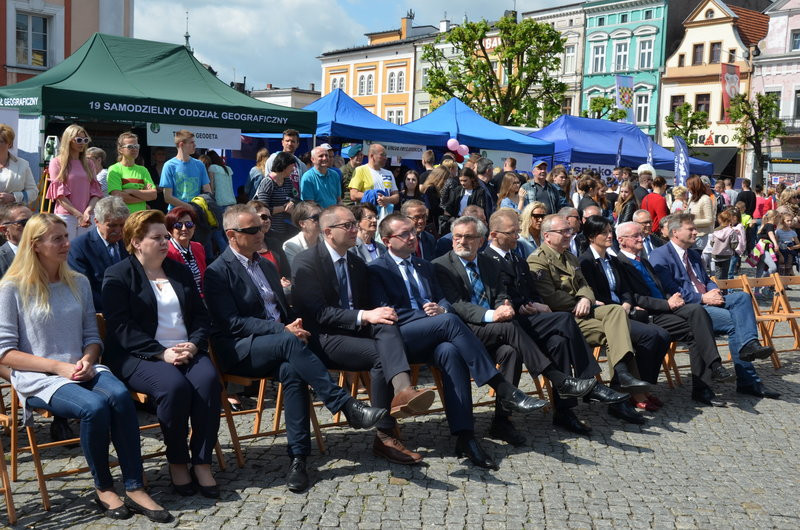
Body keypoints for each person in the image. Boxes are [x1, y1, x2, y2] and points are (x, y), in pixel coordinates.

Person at [203, 204, 388, 492]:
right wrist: (284, 331)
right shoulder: (217, 272)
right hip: (241, 350)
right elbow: (232, 324)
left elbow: (280, 310)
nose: (260, 234)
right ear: (231, 235)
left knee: (293, 371)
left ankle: (298, 457)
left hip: (282, 346)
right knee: (291, 344)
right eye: (252, 230)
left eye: (262, 228)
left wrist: (295, 326)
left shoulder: (265, 264)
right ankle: (344, 404)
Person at [0, 213, 171, 522]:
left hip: (84, 367)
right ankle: (104, 487)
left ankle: (134, 486)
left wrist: (89, 359)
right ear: (36, 245)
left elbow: (92, 337)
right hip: (40, 377)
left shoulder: (77, 281)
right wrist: (57, 367)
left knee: (120, 397)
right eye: (58, 239)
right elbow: (5, 353)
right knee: (94, 408)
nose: (67, 243)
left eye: (66, 237)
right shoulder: (11, 287)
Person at [368, 212, 547, 462]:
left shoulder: (424, 265)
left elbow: (443, 300)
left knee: (450, 352)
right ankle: (501, 387)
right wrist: (431, 315)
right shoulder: (376, 269)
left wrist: (441, 309)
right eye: (405, 234)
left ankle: (465, 436)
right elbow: (385, 313)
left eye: (413, 232)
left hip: (435, 331)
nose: (412, 237)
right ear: (387, 241)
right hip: (400, 338)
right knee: (451, 322)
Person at [292, 205, 441, 466]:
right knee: (380, 352)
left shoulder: (356, 262)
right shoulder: (307, 261)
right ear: (328, 232)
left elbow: (369, 309)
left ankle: (404, 390)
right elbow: (318, 313)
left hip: (355, 332)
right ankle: (385, 435)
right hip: (323, 337)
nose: (356, 229)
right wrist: (364, 316)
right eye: (348, 225)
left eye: (355, 224)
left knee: (386, 319)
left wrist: (375, 314)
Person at [433, 215, 599, 438]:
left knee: (512, 351)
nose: (462, 241)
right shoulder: (441, 265)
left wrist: (505, 305)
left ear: (481, 240)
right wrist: (494, 314)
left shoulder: (488, 263)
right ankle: (559, 379)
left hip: (496, 327)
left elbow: (500, 292)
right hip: (463, 330)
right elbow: (457, 304)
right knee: (511, 327)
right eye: (457, 237)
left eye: (469, 237)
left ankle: (502, 421)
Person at [101, 209, 220, 499]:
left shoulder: (178, 270)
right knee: (173, 386)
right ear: (137, 241)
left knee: (208, 382)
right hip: (139, 355)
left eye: (166, 236)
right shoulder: (118, 275)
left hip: (185, 348)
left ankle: (202, 462)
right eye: (157, 237)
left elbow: (201, 317)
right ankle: (178, 461)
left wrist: (193, 344)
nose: (165, 242)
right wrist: (161, 353)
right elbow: (121, 328)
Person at [484, 209, 628, 435]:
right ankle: (589, 382)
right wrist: (521, 304)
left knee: (560, 342)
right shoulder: (487, 260)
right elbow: (496, 296)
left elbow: (531, 292)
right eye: (512, 232)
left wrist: (533, 303)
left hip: (528, 318)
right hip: (505, 323)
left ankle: (564, 412)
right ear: (494, 235)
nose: (517, 236)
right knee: (562, 319)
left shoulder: (518, 259)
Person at [527, 214, 651, 424]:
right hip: (564, 317)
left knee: (616, 312)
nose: (569, 235)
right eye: (563, 232)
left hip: (582, 311)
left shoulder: (570, 257)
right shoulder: (537, 260)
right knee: (617, 335)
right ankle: (619, 397)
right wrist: (579, 301)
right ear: (547, 236)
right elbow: (550, 296)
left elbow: (585, 285)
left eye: (569, 231)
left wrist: (585, 296)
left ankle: (620, 378)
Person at [649, 212, 779, 400]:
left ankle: (750, 345)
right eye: (691, 229)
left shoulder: (693, 255)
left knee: (742, 297)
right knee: (736, 323)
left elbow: (706, 280)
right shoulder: (660, 255)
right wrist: (703, 298)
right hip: (689, 308)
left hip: (708, 300)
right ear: (675, 232)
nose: (696, 232)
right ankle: (748, 380)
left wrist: (714, 290)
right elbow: (670, 291)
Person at [615, 220, 735, 406]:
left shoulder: (643, 261)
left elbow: (661, 287)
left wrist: (674, 297)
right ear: (622, 240)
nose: (641, 238)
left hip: (667, 308)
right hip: (650, 314)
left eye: (641, 235)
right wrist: (667, 303)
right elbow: (635, 297)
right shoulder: (620, 263)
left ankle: (702, 388)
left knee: (697, 329)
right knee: (696, 311)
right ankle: (715, 365)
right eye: (636, 236)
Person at [577, 216, 670, 410]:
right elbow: (594, 295)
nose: (610, 235)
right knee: (650, 335)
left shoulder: (612, 259)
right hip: (605, 315)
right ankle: (632, 390)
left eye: (611, 231)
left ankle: (643, 386)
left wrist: (627, 303)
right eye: (605, 232)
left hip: (623, 311)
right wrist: (619, 308)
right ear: (593, 237)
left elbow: (626, 289)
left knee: (663, 335)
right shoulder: (585, 262)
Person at [68, 196, 130, 311]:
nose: (118, 231)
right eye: (111, 225)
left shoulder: (130, 243)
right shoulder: (79, 248)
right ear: (96, 221)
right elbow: (84, 290)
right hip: (100, 314)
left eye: (122, 225)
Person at [46, 124, 103, 239]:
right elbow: (59, 195)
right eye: (79, 140)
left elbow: (95, 192)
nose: (82, 143)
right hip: (66, 216)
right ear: (68, 140)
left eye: (85, 140)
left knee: (85, 252)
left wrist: (87, 211)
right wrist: (78, 215)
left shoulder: (89, 163)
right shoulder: (57, 162)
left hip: (88, 216)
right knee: (66, 251)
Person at [159, 130, 212, 211]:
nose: (195, 145)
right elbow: (167, 197)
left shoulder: (199, 164)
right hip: (176, 214)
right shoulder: (169, 166)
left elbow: (208, 191)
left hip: (196, 214)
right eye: (191, 142)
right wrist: (190, 207)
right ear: (181, 144)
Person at [255, 150, 300, 243]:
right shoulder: (267, 183)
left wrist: (292, 203)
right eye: (292, 166)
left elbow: (295, 197)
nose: (293, 169)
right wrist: (284, 208)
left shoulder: (287, 180)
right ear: (284, 166)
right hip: (271, 230)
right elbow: (263, 210)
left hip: (286, 228)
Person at [106, 132, 157, 213]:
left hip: (140, 218)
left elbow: (153, 195)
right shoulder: (114, 169)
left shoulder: (143, 170)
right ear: (120, 149)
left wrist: (131, 191)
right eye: (130, 146)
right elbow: (118, 197)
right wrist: (143, 196)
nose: (135, 149)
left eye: (136, 146)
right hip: (123, 219)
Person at [348, 144, 399, 219]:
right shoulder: (360, 170)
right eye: (382, 155)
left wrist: (387, 199)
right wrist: (374, 196)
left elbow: (396, 197)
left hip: (386, 218)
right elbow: (353, 195)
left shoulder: (389, 173)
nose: (386, 158)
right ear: (372, 156)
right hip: (368, 218)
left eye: (386, 155)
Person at [164, 206, 207, 295]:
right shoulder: (166, 251)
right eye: (178, 225)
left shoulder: (198, 247)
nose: (184, 228)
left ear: (194, 227)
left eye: (189, 224)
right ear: (169, 230)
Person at [247, 200, 292, 281]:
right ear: (251, 218)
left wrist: (285, 281)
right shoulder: (244, 248)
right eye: (264, 217)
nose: (268, 220)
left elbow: (286, 272)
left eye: (270, 217)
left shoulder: (275, 243)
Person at [0, 124, 37, 207]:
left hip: (12, 216)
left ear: (9, 144)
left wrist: (14, 197)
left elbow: (33, 192)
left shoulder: (22, 164)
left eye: (0, 141)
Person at [265, 129, 307, 196]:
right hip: (277, 202)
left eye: (293, 141)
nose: (290, 144)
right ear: (282, 142)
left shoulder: (301, 165)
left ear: (297, 144)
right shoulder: (273, 160)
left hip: (295, 203)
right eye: (287, 141)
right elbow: (267, 182)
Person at [282, 201, 322, 269]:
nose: (321, 220)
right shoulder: (290, 246)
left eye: (322, 215)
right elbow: (300, 273)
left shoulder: (328, 239)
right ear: (302, 223)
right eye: (316, 218)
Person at [0, 203, 32, 277]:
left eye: (34, 221)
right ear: (4, 230)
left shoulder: (46, 253)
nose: (32, 226)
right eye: (24, 223)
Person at [686, 175, 716, 253]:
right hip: (690, 235)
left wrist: (692, 223)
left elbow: (710, 220)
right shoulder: (691, 198)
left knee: (696, 259)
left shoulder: (705, 199)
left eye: (689, 186)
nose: (687, 189)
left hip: (700, 237)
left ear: (694, 186)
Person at [709, 209, 738, 280]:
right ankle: (724, 290)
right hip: (727, 255)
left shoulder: (715, 230)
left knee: (717, 273)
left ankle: (717, 288)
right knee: (725, 275)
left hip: (716, 255)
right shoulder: (731, 231)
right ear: (730, 220)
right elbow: (734, 245)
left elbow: (711, 243)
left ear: (719, 220)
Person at [420, 166, 448, 236]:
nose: (445, 181)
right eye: (445, 179)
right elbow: (432, 208)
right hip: (431, 222)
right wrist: (444, 212)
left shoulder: (428, 187)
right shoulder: (431, 189)